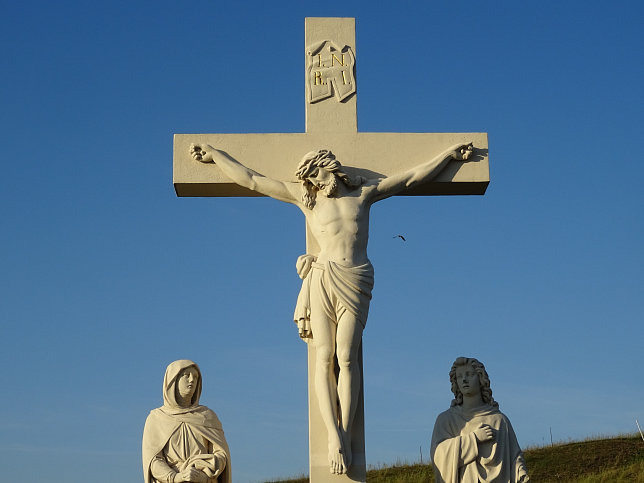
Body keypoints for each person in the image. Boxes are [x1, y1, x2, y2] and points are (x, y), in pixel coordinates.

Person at [190, 143, 473, 474]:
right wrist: (216, 156)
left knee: (347, 358)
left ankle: (345, 428)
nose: (313, 182)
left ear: (330, 166)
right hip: (323, 278)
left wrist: (447, 156)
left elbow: (410, 178)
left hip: (355, 279)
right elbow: (253, 180)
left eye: (316, 174)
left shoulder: (364, 192)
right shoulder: (305, 201)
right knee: (324, 357)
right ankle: (335, 437)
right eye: (308, 178)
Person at [431, 357, 529, 483]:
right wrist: (474, 439)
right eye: (459, 377)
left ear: (480, 378)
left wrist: (521, 473)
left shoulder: (499, 420)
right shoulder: (447, 419)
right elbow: (438, 455)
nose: (464, 380)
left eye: (469, 374)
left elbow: (514, 456)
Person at [142, 360, 231, 483]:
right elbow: (153, 460)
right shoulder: (156, 418)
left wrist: (204, 476)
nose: (191, 380)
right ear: (173, 380)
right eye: (186, 375)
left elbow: (221, 455)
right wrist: (176, 477)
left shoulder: (208, 416)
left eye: (195, 376)